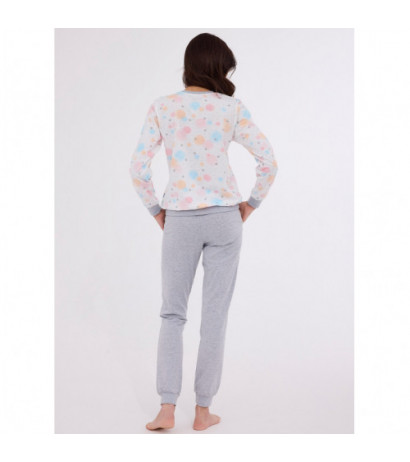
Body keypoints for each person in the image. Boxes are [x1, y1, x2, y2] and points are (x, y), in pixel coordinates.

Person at [129, 32, 279, 431]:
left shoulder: (163, 107)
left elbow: (137, 169)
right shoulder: (230, 108)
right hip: (225, 218)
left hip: (179, 217)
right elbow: (268, 160)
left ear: (189, 65)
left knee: (172, 314)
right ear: (218, 68)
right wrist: (251, 204)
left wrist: (156, 210)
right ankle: (202, 412)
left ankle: (166, 409)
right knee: (215, 318)